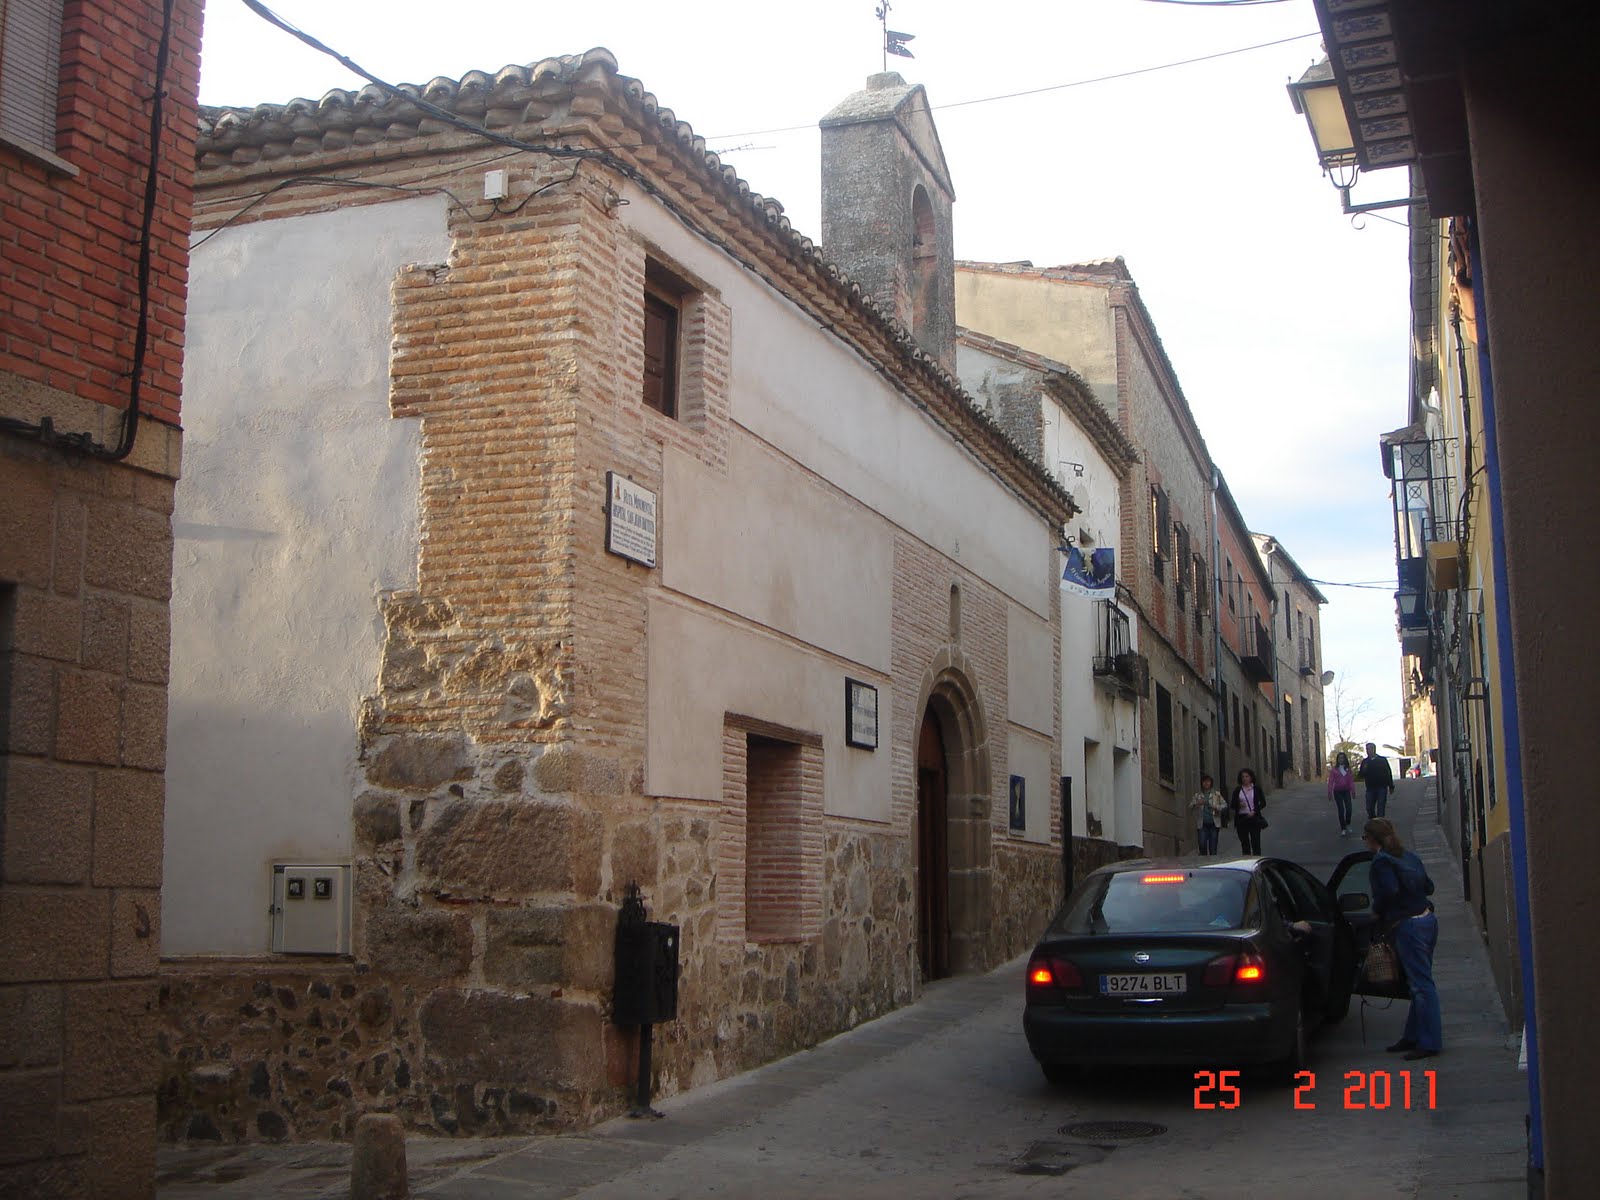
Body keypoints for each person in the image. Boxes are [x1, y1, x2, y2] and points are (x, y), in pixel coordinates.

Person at [1364, 817, 1441, 1060]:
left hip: (1408, 925)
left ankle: (1430, 1041)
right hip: (1427, 919)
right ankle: (1413, 1035)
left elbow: (1389, 891)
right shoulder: (1409, 857)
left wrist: (1378, 910)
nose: (1364, 841)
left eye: (1365, 837)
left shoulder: (1381, 862)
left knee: (1421, 985)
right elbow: (1429, 886)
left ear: (1373, 840)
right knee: (1418, 981)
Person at [1229, 768, 1266, 855]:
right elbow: (1232, 805)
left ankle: (1257, 862)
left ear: (1251, 777)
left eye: (1247, 776)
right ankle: (1246, 863)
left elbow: (1263, 803)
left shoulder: (1256, 789)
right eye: (1243, 777)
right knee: (1245, 844)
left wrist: (1255, 811)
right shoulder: (1238, 790)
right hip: (1242, 819)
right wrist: (1239, 804)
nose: (1245, 778)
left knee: (1256, 843)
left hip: (1254, 818)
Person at [1189, 774, 1228, 856]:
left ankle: (1212, 863)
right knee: (1202, 844)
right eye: (1204, 782)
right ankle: (1203, 861)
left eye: (1208, 782)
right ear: (1202, 783)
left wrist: (1216, 807)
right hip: (1202, 824)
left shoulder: (1216, 794)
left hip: (1214, 823)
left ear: (1211, 783)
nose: (1206, 783)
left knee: (1213, 846)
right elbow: (1190, 806)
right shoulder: (1198, 795)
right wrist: (1197, 803)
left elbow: (1225, 805)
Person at [1359, 742, 1395, 819]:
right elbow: (1360, 775)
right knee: (1369, 807)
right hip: (1370, 788)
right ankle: (1373, 820)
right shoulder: (1365, 762)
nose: (1368, 751)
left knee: (1381, 807)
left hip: (1381, 787)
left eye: (1370, 749)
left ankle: (1380, 823)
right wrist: (1364, 770)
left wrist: (1391, 786)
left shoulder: (1382, 760)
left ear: (1374, 749)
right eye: (1367, 749)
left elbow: (1388, 773)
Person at [1328, 752, 1356, 836]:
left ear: (1345, 759)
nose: (1341, 759)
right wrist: (1329, 792)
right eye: (1339, 758)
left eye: (1342, 758)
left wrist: (1353, 791)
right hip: (1338, 792)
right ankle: (1343, 828)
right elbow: (1331, 782)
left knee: (1349, 809)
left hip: (1346, 791)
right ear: (1337, 759)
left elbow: (1351, 781)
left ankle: (1348, 824)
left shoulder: (1348, 769)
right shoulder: (1334, 770)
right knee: (1341, 810)